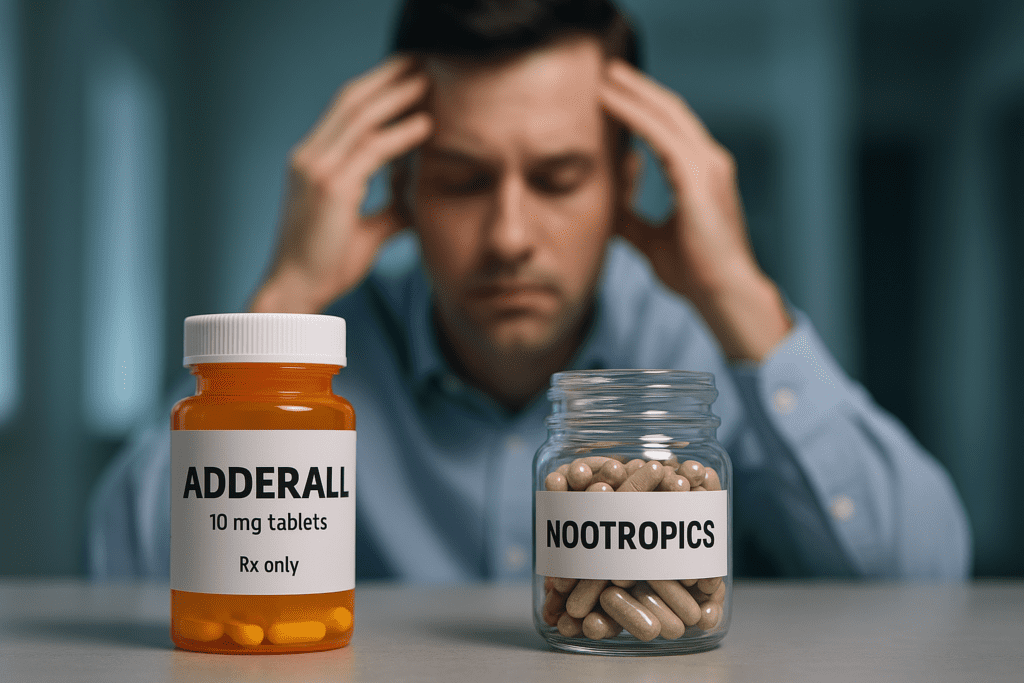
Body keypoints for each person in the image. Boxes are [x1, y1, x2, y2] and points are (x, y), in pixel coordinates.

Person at [88, 0, 971, 582]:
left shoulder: (699, 361)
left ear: (625, 187)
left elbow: (922, 577)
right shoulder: (321, 374)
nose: (509, 237)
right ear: (400, 190)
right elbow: (122, 571)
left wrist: (739, 292)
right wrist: (283, 303)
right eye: (465, 180)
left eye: (557, 178)